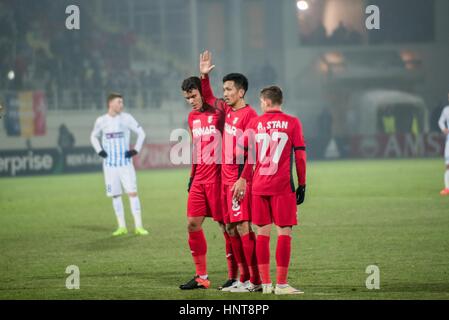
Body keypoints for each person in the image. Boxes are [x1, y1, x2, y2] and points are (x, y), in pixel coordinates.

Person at [199, 50, 261, 292]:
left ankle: (254, 280)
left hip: (238, 180)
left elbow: (255, 152)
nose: (224, 94)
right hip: (225, 180)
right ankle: (242, 278)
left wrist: (244, 180)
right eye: (224, 90)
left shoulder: (250, 115)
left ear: (241, 91)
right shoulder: (227, 112)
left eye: (229, 90)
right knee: (231, 228)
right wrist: (204, 77)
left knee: (244, 226)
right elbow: (208, 99)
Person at [241, 86, 307, 295]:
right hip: (282, 187)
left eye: (261, 102)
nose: (260, 105)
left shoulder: (254, 123)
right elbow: (300, 157)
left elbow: (249, 157)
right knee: (284, 233)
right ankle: (281, 284)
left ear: (267, 102)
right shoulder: (292, 122)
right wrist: (302, 183)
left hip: (259, 187)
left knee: (262, 234)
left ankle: (266, 283)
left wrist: (244, 179)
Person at [179, 76, 226, 290]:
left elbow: (212, 97)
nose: (191, 100)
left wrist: (205, 77)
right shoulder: (191, 118)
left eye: (194, 95)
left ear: (201, 92)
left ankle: (239, 276)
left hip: (218, 179)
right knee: (192, 224)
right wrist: (191, 176)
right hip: (199, 179)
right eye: (187, 98)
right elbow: (196, 148)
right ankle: (202, 277)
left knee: (227, 227)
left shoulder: (217, 111)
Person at [90, 93, 149, 236]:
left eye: (122, 102)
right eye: (119, 102)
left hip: (125, 164)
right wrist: (99, 151)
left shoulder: (127, 118)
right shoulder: (101, 120)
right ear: (111, 103)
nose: (121, 105)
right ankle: (121, 227)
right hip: (109, 165)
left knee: (132, 193)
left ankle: (138, 226)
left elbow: (141, 133)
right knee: (116, 195)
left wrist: (135, 150)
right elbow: (93, 136)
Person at [438, 92, 449, 196]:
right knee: (448, 165)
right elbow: (440, 121)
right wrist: (444, 129)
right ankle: (447, 188)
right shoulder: (446, 110)